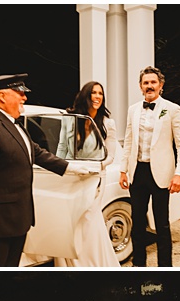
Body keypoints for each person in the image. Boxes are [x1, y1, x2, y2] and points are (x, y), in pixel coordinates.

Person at [0, 74, 97, 267]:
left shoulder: (13, 124)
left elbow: (36, 152)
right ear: (2, 96)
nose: (24, 97)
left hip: (16, 221)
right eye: (19, 93)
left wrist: (71, 167)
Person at [120, 66, 180, 267]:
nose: (149, 86)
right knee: (138, 223)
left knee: (162, 224)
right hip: (137, 172)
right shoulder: (133, 110)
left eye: (153, 82)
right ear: (141, 87)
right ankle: (138, 265)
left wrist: (179, 174)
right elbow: (128, 141)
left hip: (161, 174)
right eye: (145, 83)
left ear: (160, 85)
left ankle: (165, 267)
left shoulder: (172, 109)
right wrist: (124, 170)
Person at [56, 81, 121, 267]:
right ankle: (70, 262)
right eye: (93, 93)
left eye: (100, 93)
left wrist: (93, 169)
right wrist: (59, 169)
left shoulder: (108, 123)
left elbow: (110, 156)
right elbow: (62, 147)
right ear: (86, 95)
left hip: (94, 178)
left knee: (89, 220)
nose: (97, 97)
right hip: (71, 177)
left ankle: (93, 264)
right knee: (71, 221)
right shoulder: (70, 118)